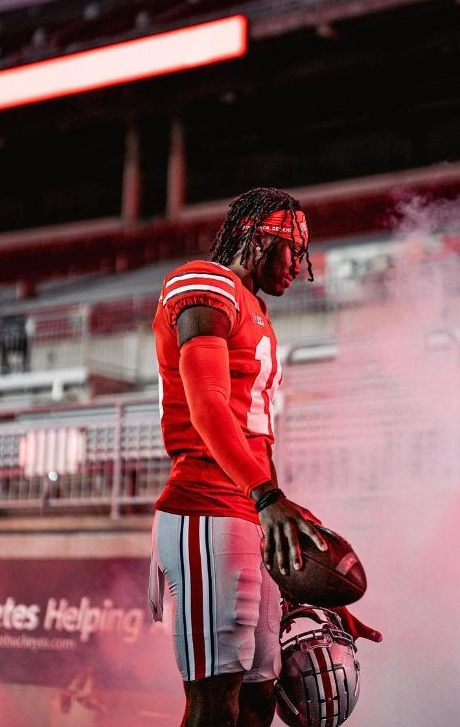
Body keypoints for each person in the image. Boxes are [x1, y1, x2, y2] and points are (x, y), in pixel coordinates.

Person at [149, 187, 327, 727]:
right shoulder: (205, 282)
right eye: (292, 250)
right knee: (214, 701)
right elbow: (207, 407)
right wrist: (267, 496)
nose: (300, 265)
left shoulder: (256, 310)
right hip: (205, 508)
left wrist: (299, 546)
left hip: (248, 510)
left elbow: (257, 437)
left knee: (260, 697)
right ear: (257, 238)